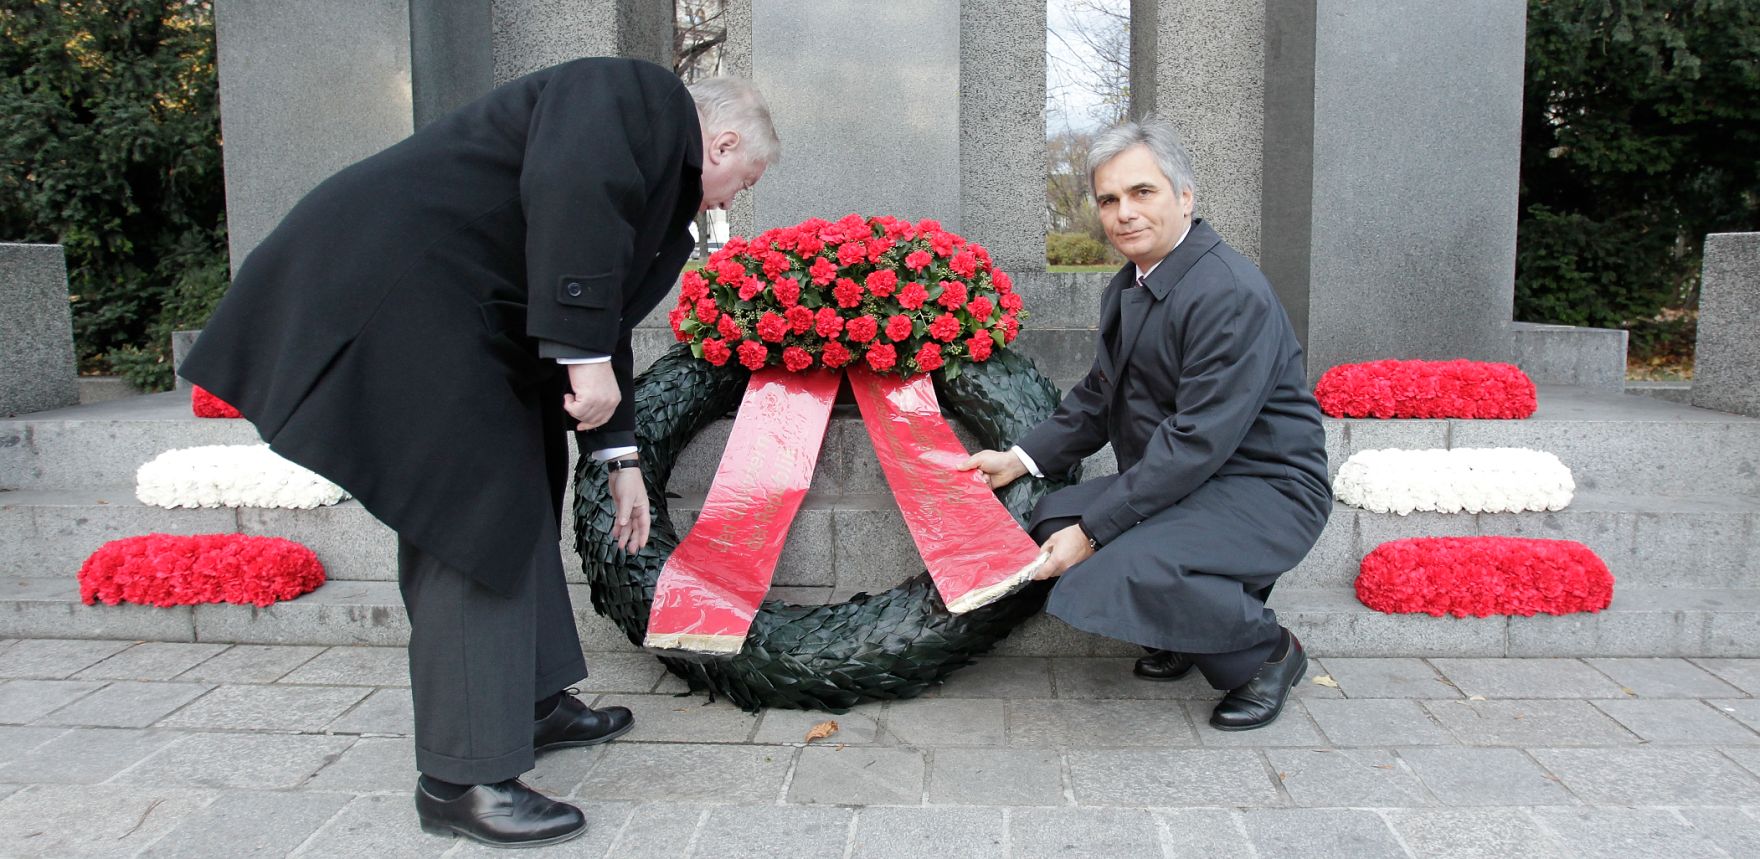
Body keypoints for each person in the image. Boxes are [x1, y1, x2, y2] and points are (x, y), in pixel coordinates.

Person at [180, 59, 778, 847]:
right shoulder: (631, 95)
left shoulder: (646, 182)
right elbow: (575, 190)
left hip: (462, 314)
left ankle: (529, 699)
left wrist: (619, 456)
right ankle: (461, 779)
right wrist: (577, 347)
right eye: (746, 180)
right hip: (400, 293)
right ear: (724, 140)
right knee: (472, 508)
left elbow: (604, 309)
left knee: (528, 471)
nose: (734, 199)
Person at [960, 116, 1329, 732]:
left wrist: (1097, 534)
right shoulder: (1133, 284)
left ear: (1185, 197)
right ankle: (1188, 626)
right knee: (1053, 516)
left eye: (1143, 193)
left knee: (1110, 559)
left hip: (1265, 488)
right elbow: (1101, 395)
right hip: (1201, 482)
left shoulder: (1228, 293)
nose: (1124, 212)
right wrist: (1020, 458)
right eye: (1109, 199)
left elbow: (1195, 442)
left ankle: (1264, 653)